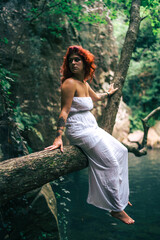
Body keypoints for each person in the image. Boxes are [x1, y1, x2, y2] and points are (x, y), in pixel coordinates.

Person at [45, 45, 135, 224]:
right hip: (78, 130)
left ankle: (119, 194)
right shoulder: (69, 83)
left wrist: (108, 93)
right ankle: (116, 209)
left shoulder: (84, 84)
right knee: (110, 162)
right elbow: (64, 111)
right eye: (70, 60)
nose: (73, 63)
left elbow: (96, 98)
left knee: (122, 152)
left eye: (77, 59)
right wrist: (58, 137)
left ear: (85, 62)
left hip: (92, 128)